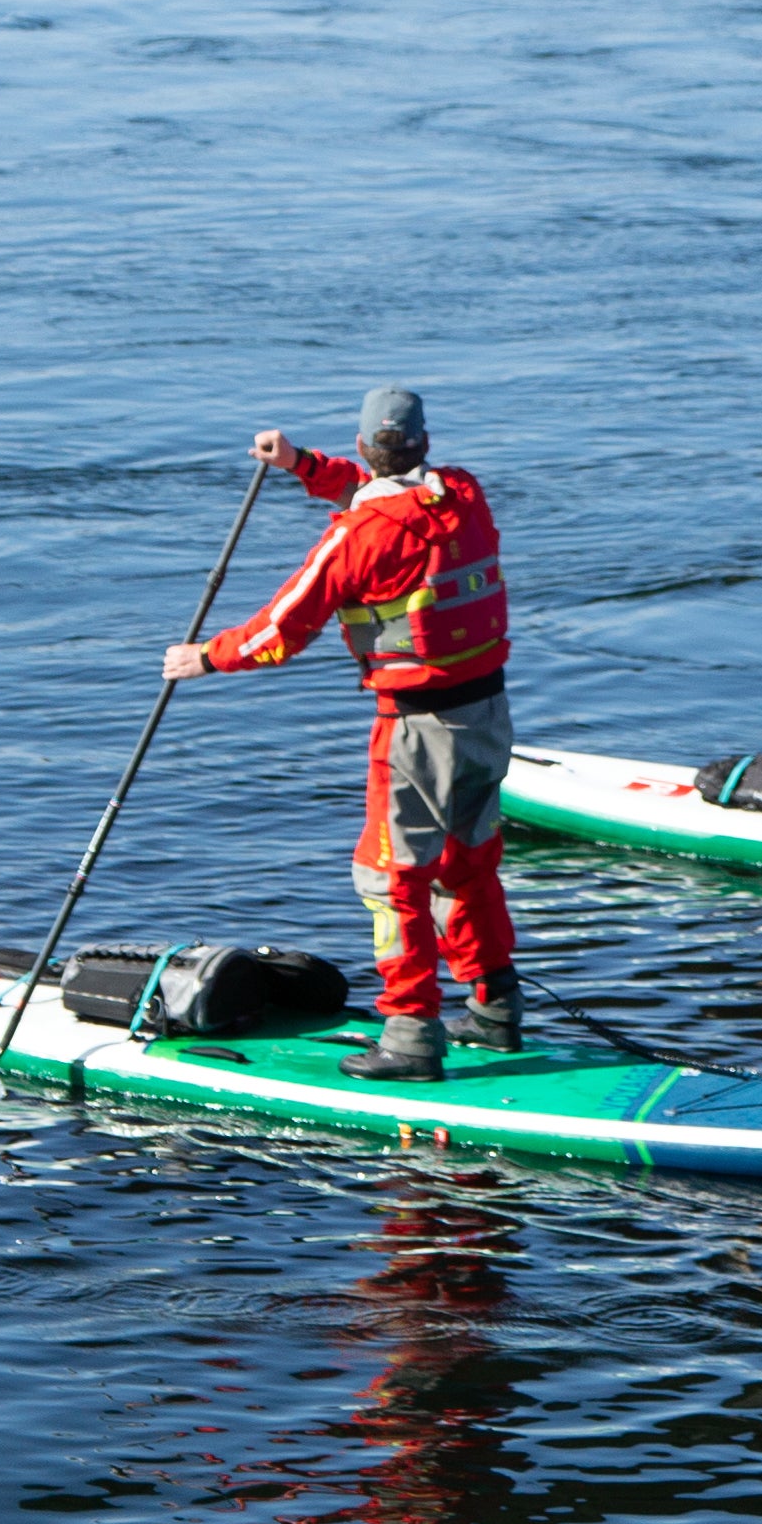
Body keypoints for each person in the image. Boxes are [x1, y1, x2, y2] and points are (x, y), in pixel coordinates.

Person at [166, 383, 517, 1081]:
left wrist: (203, 657)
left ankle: (412, 1034)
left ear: (364, 445)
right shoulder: (463, 495)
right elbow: (378, 490)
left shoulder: (353, 539)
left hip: (415, 731)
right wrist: (300, 464)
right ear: (424, 446)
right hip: (488, 717)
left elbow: (279, 630)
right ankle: (495, 1011)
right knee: (468, 863)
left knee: (391, 880)